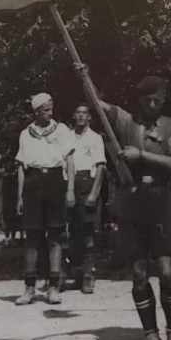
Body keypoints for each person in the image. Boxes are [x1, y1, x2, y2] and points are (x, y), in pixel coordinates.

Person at [89, 72, 171, 340]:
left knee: (167, 271)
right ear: (140, 100)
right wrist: (85, 74)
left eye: (158, 98)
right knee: (138, 274)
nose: (153, 103)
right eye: (148, 98)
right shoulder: (125, 120)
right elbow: (97, 104)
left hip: (160, 201)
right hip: (131, 202)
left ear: (164, 99)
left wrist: (142, 157)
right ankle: (151, 337)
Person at [14, 93, 76, 306]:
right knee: (32, 237)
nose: (51, 113)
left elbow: (70, 162)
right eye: (46, 110)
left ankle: (53, 287)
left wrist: (70, 190)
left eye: (51, 108)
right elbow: (21, 168)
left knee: (55, 236)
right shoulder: (25, 134)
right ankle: (29, 288)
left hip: (55, 181)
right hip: (33, 183)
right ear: (37, 111)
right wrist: (20, 196)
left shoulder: (62, 130)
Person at [67, 103, 107, 294]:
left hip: (87, 183)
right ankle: (76, 274)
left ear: (90, 117)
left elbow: (100, 167)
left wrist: (94, 193)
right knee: (73, 233)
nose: (81, 116)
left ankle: (89, 275)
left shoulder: (95, 138)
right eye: (78, 112)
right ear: (74, 115)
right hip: (70, 184)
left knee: (89, 232)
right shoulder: (66, 136)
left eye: (85, 113)